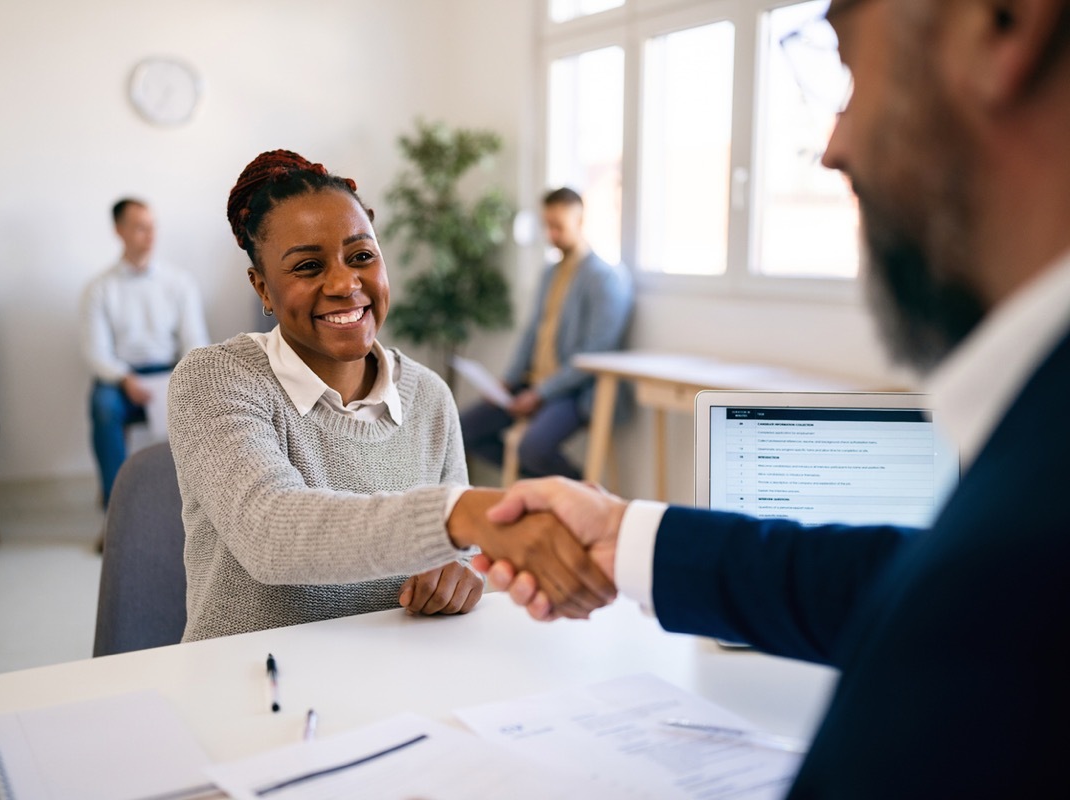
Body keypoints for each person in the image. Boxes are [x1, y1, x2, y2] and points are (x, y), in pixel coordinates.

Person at [473, 0, 1070, 796]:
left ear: (1001, 23)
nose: (833, 146)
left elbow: (970, 608)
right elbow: (907, 580)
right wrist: (630, 535)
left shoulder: (1031, 528)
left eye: (850, 69)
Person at [166, 150, 613, 641]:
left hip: (395, 685)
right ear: (263, 289)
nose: (344, 283)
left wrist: (460, 577)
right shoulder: (215, 380)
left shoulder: (429, 396)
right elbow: (270, 531)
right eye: (309, 266)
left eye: (361, 257)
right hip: (251, 686)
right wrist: (464, 514)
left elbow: (462, 560)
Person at [460, 188, 632, 479]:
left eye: (558, 227)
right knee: (464, 429)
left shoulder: (605, 279)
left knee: (533, 448)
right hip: (530, 384)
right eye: (547, 226)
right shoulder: (550, 273)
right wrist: (508, 381)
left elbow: (594, 356)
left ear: (580, 221)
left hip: (572, 393)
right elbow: (532, 333)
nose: (551, 235)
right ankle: (540, 489)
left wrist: (541, 394)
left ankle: (579, 492)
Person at [80, 198, 209, 514]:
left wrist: (177, 379)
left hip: (171, 370)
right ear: (119, 231)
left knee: (206, 402)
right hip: (122, 377)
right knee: (103, 408)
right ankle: (118, 511)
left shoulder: (179, 282)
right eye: (140, 228)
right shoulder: (99, 288)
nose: (150, 235)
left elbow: (196, 341)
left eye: (152, 227)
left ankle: (195, 508)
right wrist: (125, 379)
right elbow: (96, 351)